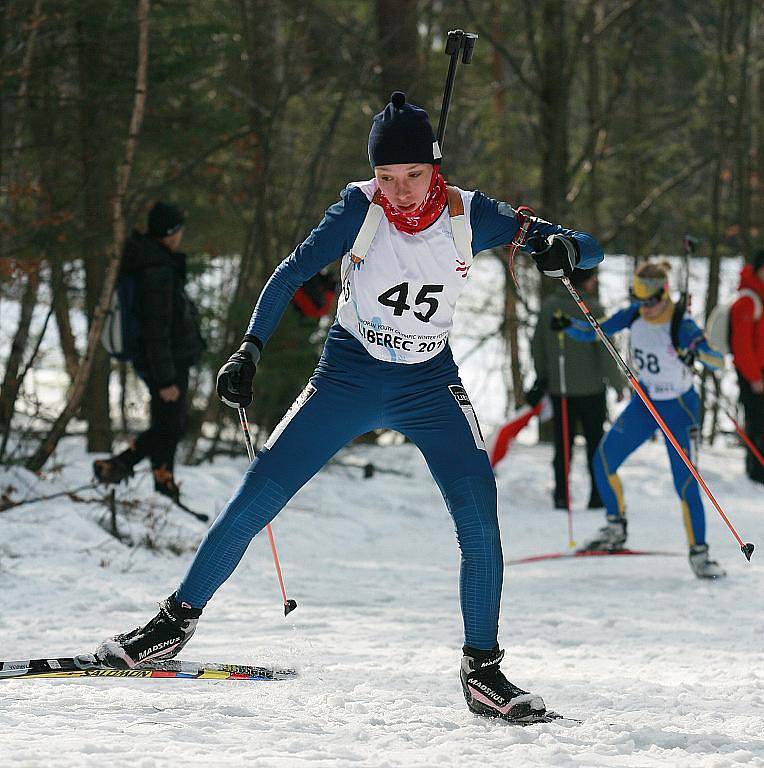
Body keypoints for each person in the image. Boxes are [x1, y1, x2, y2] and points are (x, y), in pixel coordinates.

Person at [95, 92, 603, 723]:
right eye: (387, 177)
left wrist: (564, 251)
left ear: (434, 167)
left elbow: (588, 245)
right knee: (257, 497)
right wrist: (249, 349)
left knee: (479, 521)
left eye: (413, 175)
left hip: (428, 384)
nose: (401, 191)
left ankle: (483, 672)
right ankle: (171, 626)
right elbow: (288, 273)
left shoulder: (473, 214)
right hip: (348, 377)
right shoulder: (357, 209)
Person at [556, 261, 725, 578]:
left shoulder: (681, 323)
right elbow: (595, 333)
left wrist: (695, 354)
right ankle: (615, 527)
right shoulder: (632, 313)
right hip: (645, 404)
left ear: (664, 293)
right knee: (603, 461)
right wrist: (566, 325)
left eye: (650, 301)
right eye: (639, 299)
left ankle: (700, 554)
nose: (644, 308)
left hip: (679, 407)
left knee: (685, 482)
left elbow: (717, 362)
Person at [93, 202, 205, 503]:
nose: (181, 235)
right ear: (170, 233)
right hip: (166, 362)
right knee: (170, 426)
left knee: (167, 425)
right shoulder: (157, 271)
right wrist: (166, 379)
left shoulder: (155, 263)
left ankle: (162, 480)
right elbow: (157, 331)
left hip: (165, 359)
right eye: (178, 229)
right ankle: (118, 465)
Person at [532, 268, 623, 509]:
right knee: (596, 445)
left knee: (563, 445)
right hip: (591, 390)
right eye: (592, 277)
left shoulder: (549, 306)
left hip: (560, 389)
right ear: (584, 280)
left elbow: (537, 346)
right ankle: (598, 495)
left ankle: (561, 495)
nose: (595, 282)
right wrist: (617, 383)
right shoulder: (593, 308)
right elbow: (606, 351)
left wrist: (543, 377)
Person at [730, 249, 764, 484]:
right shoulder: (748, 299)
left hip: (758, 371)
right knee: (757, 424)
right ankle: (757, 472)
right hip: (752, 373)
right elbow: (741, 346)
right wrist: (754, 377)